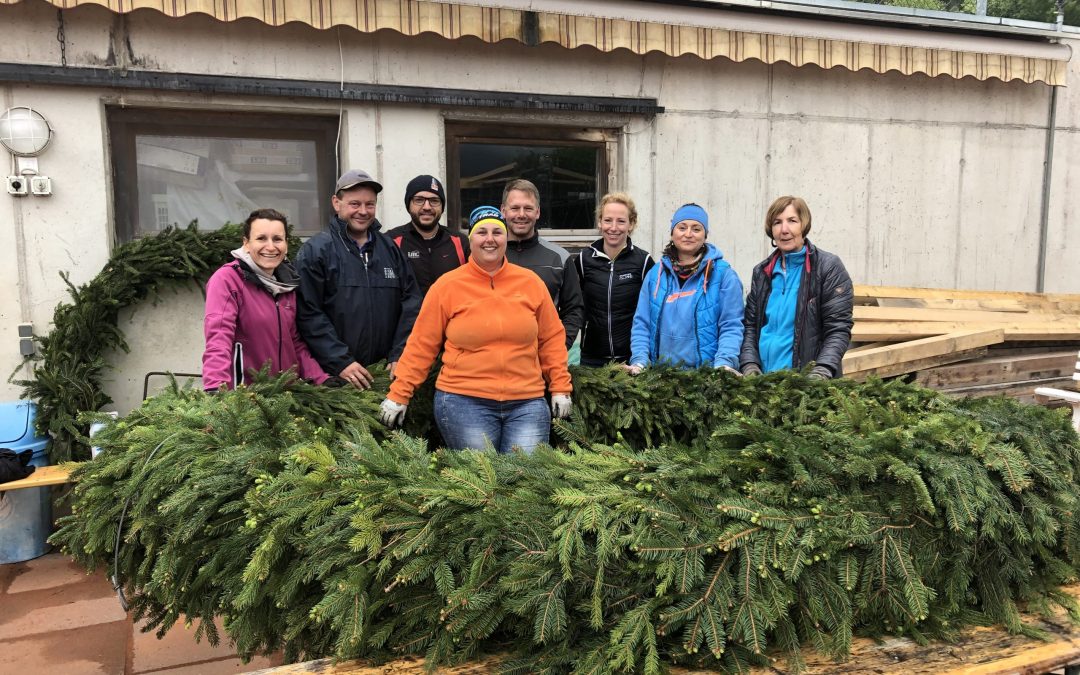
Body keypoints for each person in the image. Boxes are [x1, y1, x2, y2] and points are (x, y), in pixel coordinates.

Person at [379, 206, 573, 454]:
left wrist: (560, 387)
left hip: (526, 401)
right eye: (482, 232)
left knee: (526, 479)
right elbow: (421, 344)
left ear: (506, 238)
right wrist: (399, 394)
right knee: (483, 481)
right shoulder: (447, 286)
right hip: (463, 400)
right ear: (470, 240)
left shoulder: (531, 283)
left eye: (497, 232)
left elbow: (551, 339)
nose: (490, 239)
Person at [295, 169, 421, 389]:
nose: (363, 211)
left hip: (386, 376)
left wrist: (399, 353)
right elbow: (308, 314)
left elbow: (411, 304)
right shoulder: (316, 251)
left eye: (370, 204)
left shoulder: (389, 249)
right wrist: (340, 361)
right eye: (355, 204)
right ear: (337, 203)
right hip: (336, 378)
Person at [203, 209, 329, 390]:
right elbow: (218, 339)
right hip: (244, 398)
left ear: (286, 244)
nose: (270, 247)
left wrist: (321, 379)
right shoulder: (227, 280)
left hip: (284, 399)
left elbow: (294, 343)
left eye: (277, 239)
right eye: (261, 238)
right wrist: (216, 388)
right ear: (246, 243)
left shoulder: (287, 284)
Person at [740, 196, 853, 379]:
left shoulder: (827, 267)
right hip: (763, 382)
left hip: (806, 384)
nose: (784, 230)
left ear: (804, 225)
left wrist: (821, 371)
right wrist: (749, 364)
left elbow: (838, 328)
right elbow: (750, 327)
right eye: (777, 222)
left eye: (792, 221)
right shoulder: (762, 273)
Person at [628, 203, 744, 372]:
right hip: (659, 378)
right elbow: (641, 324)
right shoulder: (655, 275)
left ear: (705, 235)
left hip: (706, 379)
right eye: (682, 227)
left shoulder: (724, 275)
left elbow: (731, 325)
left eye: (696, 229)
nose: (688, 234)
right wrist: (639, 361)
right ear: (672, 233)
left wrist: (724, 363)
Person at [501, 179, 585, 349]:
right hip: (494, 361)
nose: (521, 214)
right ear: (503, 211)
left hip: (543, 361)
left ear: (538, 212)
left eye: (528, 208)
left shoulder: (559, 258)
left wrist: (559, 348)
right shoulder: (487, 256)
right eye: (515, 208)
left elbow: (574, 309)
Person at [576, 192, 654, 366]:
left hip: (632, 358)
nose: (613, 227)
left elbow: (653, 309)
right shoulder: (583, 259)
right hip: (592, 359)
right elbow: (574, 305)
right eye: (608, 220)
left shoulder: (643, 261)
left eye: (621, 221)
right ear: (599, 222)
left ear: (631, 224)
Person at [385, 175, 470, 295]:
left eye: (434, 201)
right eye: (419, 200)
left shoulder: (460, 242)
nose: (427, 207)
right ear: (409, 205)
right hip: (410, 314)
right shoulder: (391, 241)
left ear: (442, 206)